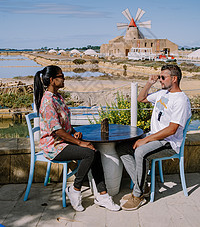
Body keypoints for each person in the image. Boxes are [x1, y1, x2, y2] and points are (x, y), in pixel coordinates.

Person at [34, 65, 120, 212]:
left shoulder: (58, 97)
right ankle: (75, 189)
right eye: (61, 76)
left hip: (64, 141)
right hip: (54, 146)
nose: (64, 78)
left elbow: (64, 123)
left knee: (94, 150)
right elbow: (58, 131)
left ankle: (102, 195)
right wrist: (80, 143)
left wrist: (73, 132)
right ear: (52, 80)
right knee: (89, 153)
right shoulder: (48, 102)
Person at [116, 64, 191, 211]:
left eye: (163, 77)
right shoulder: (163, 93)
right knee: (122, 148)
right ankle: (143, 187)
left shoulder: (181, 100)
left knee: (141, 152)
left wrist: (146, 140)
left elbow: (172, 129)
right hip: (155, 138)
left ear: (174, 79)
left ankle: (138, 196)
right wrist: (150, 83)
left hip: (169, 143)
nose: (160, 80)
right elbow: (140, 98)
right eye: (160, 77)